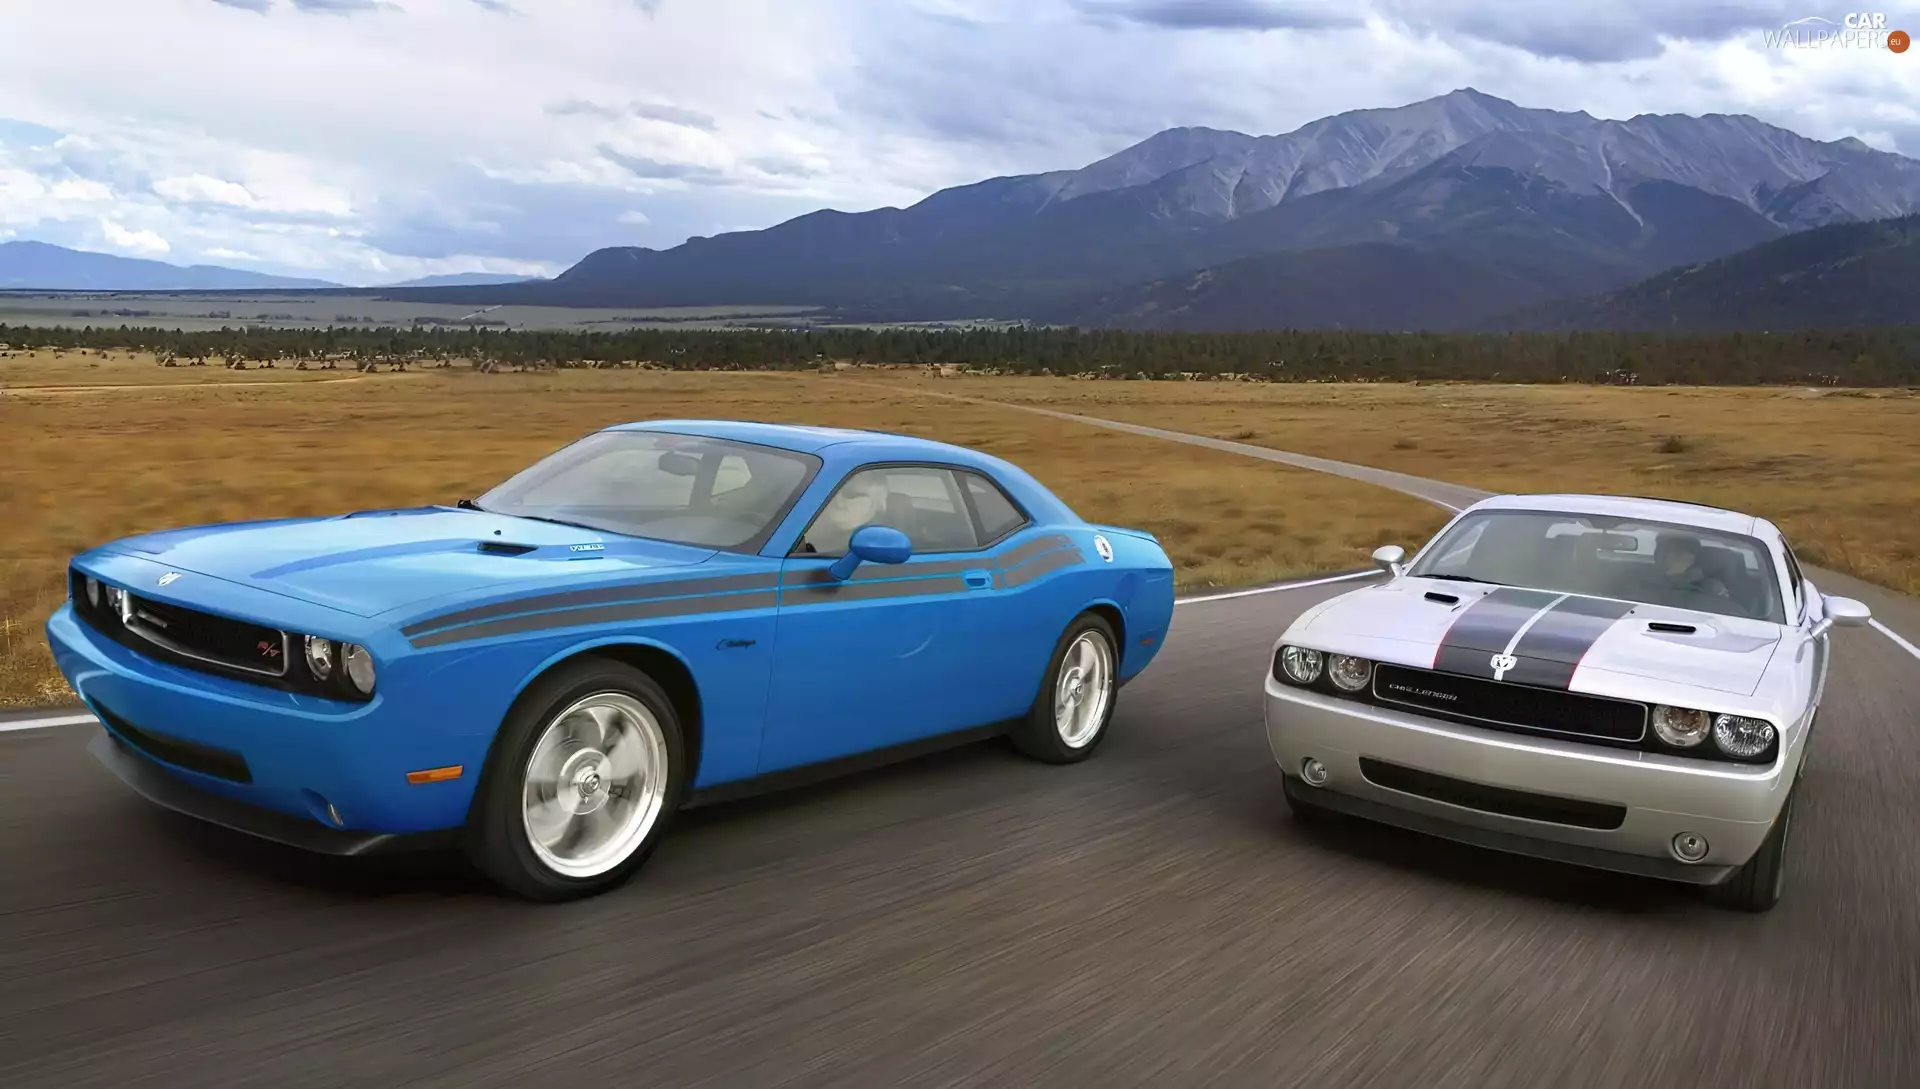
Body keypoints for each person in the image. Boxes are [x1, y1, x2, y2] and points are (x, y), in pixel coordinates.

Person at [1655, 534, 1729, 600]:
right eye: (1686, 561)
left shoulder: (1708, 586)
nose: (1689, 564)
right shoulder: (1650, 582)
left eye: (1690, 561)